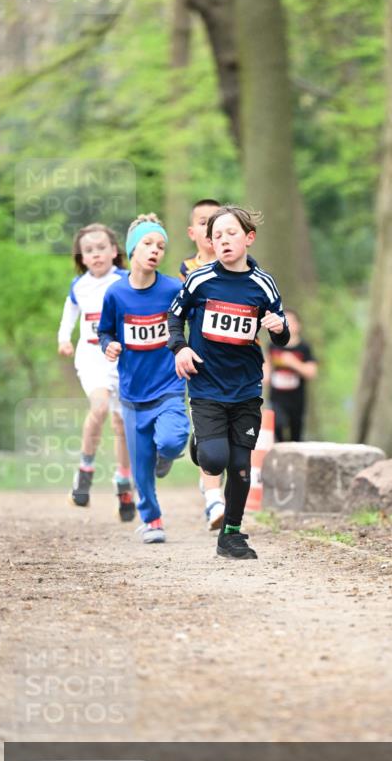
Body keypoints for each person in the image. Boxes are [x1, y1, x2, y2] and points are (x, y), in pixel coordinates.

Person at [168, 205, 289, 560]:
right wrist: (180, 349)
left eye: (230, 234)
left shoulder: (263, 284)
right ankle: (202, 442)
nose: (223, 241)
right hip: (206, 385)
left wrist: (280, 328)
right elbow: (174, 319)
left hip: (246, 388)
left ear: (249, 238)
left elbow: (280, 332)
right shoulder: (199, 280)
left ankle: (231, 535)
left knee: (239, 465)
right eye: (216, 236)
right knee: (214, 458)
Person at [98, 214, 190, 544]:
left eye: (161, 246)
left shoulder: (173, 289)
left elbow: (196, 316)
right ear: (133, 250)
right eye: (148, 244)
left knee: (172, 439)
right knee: (140, 469)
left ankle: (167, 453)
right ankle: (152, 520)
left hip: (168, 385)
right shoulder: (116, 294)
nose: (155, 251)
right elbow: (105, 329)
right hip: (133, 392)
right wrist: (109, 345)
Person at [57, 223, 135, 520]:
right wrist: (63, 339)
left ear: (114, 251)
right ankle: (84, 472)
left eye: (102, 248)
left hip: (123, 360)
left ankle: (123, 483)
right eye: (89, 250)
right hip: (91, 358)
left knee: (120, 423)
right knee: (100, 407)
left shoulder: (126, 280)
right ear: (82, 257)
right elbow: (69, 317)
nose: (96, 254)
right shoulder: (79, 285)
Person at [179, 197, 226, 530]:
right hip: (200, 361)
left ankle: (213, 488)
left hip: (234, 363)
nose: (210, 228)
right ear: (193, 231)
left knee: (226, 434)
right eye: (203, 221)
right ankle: (214, 502)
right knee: (208, 430)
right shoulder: (187, 270)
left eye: (216, 220)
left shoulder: (239, 267)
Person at [266, 309, 317, 441]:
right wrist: (264, 376)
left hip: (296, 398)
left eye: (291, 322)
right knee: (277, 424)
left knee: (296, 433)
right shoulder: (273, 345)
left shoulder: (304, 348)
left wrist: (294, 363)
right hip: (277, 397)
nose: (287, 325)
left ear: (298, 325)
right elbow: (266, 366)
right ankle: (280, 449)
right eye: (284, 322)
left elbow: (311, 372)